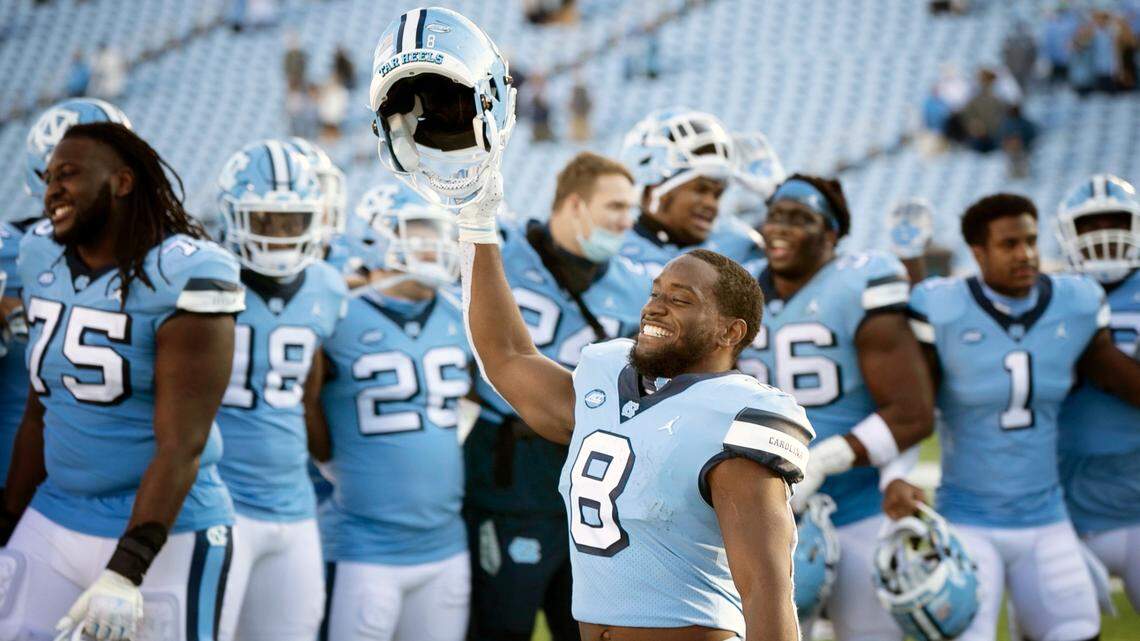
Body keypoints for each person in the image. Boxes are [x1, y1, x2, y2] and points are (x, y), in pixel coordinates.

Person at [1, 122, 245, 641]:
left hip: (168, 527)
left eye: (68, 174)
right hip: (57, 509)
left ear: (122, 182)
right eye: (47, 178)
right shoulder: (39, 254)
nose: (52, 190)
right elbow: (41, 411)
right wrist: (7, 520)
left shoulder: (185, 272)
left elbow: (182, 445)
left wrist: (127, 566)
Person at [905, 193, 1140, 641]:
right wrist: (894, 475)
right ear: (978, 253)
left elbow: (1119, 378)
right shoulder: (942, 305)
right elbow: (911, 409)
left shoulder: (1076, 301)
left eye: (1031, 241)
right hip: (968, 519)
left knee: (1076, 628)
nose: (1026, 254)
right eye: (1010, 244)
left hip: (1046, 519)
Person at [736, 174, 934, 640]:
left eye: (800, 219)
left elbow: (912, 413)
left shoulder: (859, 284)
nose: (781, 228)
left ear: (831, 235)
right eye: (776, 216)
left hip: (857, 509)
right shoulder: (740, 287)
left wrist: (823, 460)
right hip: (761, 513)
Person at [462, 152, 648, 641]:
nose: (627, 220)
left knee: (588, 624)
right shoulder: (500, 247)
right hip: (508, 461)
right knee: (502, 620)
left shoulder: (633, 284)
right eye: (614, 206)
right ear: (574, 204)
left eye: (631, 207)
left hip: (588, 464)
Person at [312, 182, 472, 641]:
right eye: (420, 230)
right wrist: (326, 461)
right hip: (362, 544)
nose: (435, 244)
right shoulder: (337, 311)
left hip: (445, 541)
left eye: (441, 232)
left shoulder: (461, 313)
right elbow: (303, 403)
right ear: (372, 236)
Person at [213, 140, 347, 641]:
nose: (279, 233)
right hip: (217, 498)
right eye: (264, 219)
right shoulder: (206, 275)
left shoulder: (328, 286)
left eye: (292, 220)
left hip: (294, 503)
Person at [1055, 174, 1140, 611]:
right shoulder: (1047, 297)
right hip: (1068, 514)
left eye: (1115, 221)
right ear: (1068, 235)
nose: (1104, 235)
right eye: (1091, 224)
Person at [619, 109, 758, 275]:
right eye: (701, 189)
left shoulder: (737, 244)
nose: (711, 204)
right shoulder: (614, 251)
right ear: (655, 186)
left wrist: (776, 194)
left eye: (717, 194)